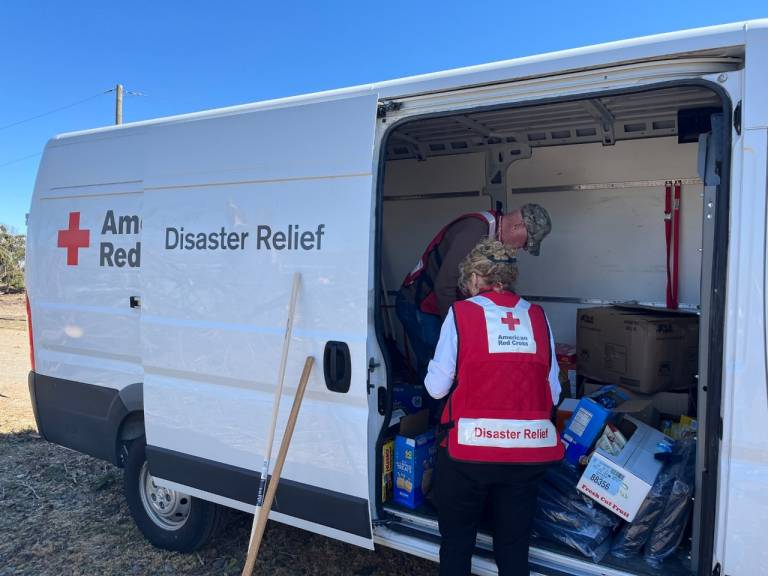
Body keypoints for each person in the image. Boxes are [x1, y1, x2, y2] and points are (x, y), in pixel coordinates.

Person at [425, 239, 563, 576]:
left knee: (458, 544)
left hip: (469, 453)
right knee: (514, 546)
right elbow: (554, 392)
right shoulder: (537, 316)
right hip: (528, 454)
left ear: (474, 277)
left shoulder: (462, 314)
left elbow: (436, 387)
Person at [396, 204, 551, 376]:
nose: (522, 248)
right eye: (526, 242)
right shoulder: (475, 231)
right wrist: (460, 329)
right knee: (438, 368)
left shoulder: (496, 238)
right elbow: (444, 286)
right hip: (421, 304)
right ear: (517, 226)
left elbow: (501, 286)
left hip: (442, 304)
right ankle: (437, 403)